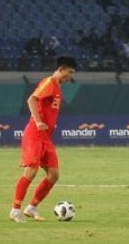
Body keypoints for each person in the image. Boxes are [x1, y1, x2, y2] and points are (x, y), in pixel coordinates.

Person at [10, 56, 78, 222]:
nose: (70, 77)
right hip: (35, 134)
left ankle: (32, 207)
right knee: (31, 172)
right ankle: (15, 210)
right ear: (61, 69)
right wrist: (39, 121)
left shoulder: (57, 88)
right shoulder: (49, 82)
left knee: (54, 175)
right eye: (69, 72)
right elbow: (31, 99)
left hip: (45, 138)